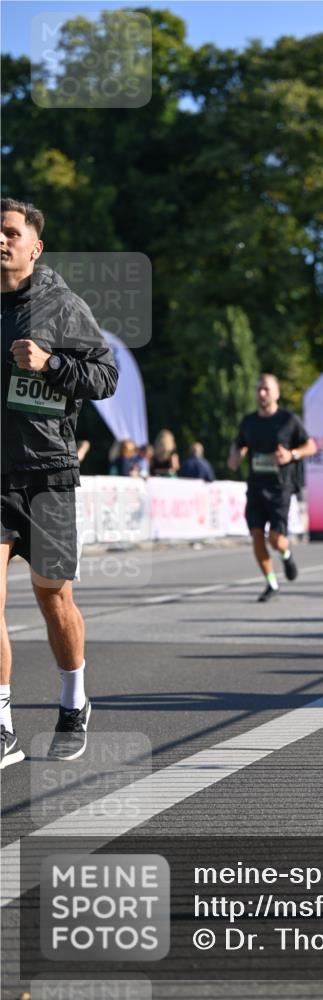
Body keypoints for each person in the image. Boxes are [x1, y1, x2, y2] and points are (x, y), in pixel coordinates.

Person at [1, 198, 118, 769]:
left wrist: (50, 364)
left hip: (48, 474)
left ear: (34, 246)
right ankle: (2, 726)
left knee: (54, 597)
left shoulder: (61, 305)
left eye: (9, 233)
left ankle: (74, 704)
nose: (1, 242)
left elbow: (106, 376)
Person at [228, 373, 316, 602]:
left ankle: (286, 554)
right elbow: (239, 445)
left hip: (280, 487)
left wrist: (292, 454)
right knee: (257, 535)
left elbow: (311, 446)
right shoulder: (249, 422)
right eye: (259, 389)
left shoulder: (288, 420)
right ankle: (271, 583)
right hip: (256, 486)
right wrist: (235, 456)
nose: (262, 393)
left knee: (275, 539)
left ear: (277, 392)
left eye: (266, 389)